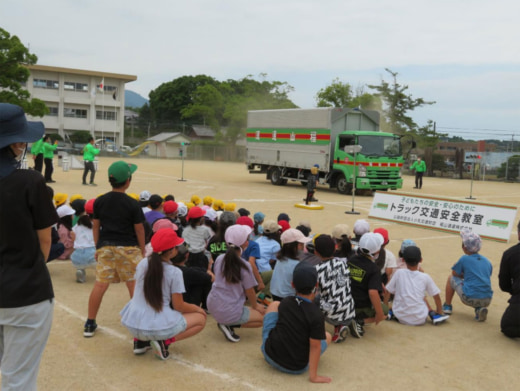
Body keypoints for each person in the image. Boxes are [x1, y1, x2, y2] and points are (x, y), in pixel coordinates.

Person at [0, 103, 57, 390]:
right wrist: (32, 268)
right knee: (18, 380)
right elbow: (44, 240)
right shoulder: (31, 181)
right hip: (26, 292)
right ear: (17, 142)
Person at [120, 229, 207, 359]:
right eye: (176, 247)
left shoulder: (143, 263)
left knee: (150, 308)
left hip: (133, 325)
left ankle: (140, 342)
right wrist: (198, 309)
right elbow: (179, 306)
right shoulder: (174, 272)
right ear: (171, 251)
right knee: (200, 320)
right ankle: (164, 342)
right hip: (155, 327)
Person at [84, 160, 146, 337]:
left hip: (106, 246)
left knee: (100, 284)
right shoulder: (132, 203)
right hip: (128, 247)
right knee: (133, 284)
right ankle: (139, 325)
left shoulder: (100, 201)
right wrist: (142, 249)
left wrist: (98, 247)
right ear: (128, 181)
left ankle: (89, 322)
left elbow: (96, 227)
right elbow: (139, 229)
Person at [261, 262, 332, 383]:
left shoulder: (286, 301)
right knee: (327, 336)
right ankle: (310, 373)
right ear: (316, 285)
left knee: (274, 305)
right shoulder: (316, 314)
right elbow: (315, 346)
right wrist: (313, 376)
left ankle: (272, 343)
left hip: (269, 354)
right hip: (297, 368)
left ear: (292, 285)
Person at [207, 224, 266, 342]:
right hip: (228, 310)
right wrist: (255, 306)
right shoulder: (245, 265)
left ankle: (227, 322)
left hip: (212, 303)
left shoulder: (220, 258)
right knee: (262, 318)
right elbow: (250, 290)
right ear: (245, 243)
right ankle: (228, 324)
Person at [386, 245, 449, 326]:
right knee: (422, 296)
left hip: (400, 316)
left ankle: (390, 312)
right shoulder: (425, 277)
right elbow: (436, 296)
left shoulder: (399, 273)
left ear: (403, 260)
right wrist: (439, 311)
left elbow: (388, 291)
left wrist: (385, 308)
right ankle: (435, 315)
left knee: (399, 298)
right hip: (420, 318)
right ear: (421, 260)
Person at [314, 235, 357, 342]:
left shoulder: (316, 270)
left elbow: (313, 292)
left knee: (314, 298)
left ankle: (316, 328)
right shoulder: (343, 264)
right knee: (336, 294)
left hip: (331, 314)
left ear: (316, 252)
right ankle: (340, 327)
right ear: (335, 248)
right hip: (349, 309)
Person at [443, 230, 493, 321]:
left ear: (464, 247)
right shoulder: (487, 261)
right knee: (477, 287)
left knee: (451, 278)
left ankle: (447, 306)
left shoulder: (464, 259)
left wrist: (462, 274)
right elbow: (486, 275)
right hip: (487, 299)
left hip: (469, 298)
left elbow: (454, 274)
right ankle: (479, 309)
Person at [348, 232, 388, 332]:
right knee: (385, 311)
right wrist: (379, 313)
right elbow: (373, 293)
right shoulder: (374, 269)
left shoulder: (351, 259)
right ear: (377, 251)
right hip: (360, 305)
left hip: (347, 301)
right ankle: (359, 321)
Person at [270, 229, 311, 301]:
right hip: (287, 298)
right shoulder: (297, 265)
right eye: (301, 244)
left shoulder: (281, 258)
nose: (303, 247)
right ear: (293, 246)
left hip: (275, 294)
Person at [498, 221, 520, 338]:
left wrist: (515, 292)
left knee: (507, 327)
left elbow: (504, 284)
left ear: (518, 234)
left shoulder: (510, 253)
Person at [71, 200, 97, 283]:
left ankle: (81, 272)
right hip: (93, 255)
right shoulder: (97, 224)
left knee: (81, 265)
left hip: (76, 256)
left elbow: (73, 238)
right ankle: (101, 273)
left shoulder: (77, 225)